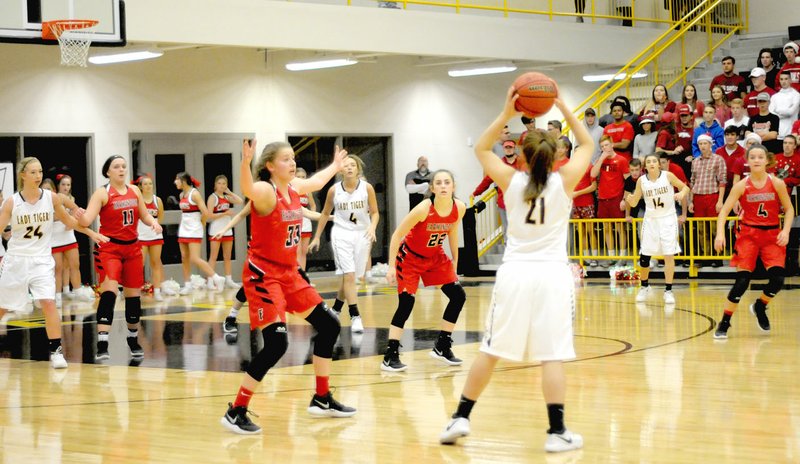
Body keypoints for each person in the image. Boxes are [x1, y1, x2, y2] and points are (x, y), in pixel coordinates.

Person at [439, 89, 594, 453]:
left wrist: (507, 111)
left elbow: (480, 148)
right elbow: (586, 144)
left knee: (491, 349)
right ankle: (557, 432)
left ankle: (460, 416)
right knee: (551, 354)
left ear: (522, 156)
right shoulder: (565, 180)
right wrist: (563, 108)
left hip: (515, 274)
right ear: (555, 155)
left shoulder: (510, 180)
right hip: (553, 275)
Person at [221, 140, 356, 435]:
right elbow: (248, 188)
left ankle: (321, 398)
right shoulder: (266, 191)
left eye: (293, 158)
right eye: (285, 159)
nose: (292, 163)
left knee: (330, 325)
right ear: (270, 165)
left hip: (289, 273)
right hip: (263, 274)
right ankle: (236, 410)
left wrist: (335, 165)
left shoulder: (293, 187)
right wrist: (245, 163)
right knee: (277, 344)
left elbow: (317, 181)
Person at [0, 157, 107, 369]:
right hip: (17, 261)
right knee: (3, 307)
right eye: (33, 172)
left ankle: (56, 351)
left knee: (48, 302)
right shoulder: (12, 202)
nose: (38, 176)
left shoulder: (51, 198)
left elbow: (69, 222)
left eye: (40, 171)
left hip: (41, 260)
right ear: (23, 175)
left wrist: (91, 233)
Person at [380, 169, 467, 372]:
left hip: (435, 256)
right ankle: (390, 354)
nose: (443, 186)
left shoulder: (459, 207)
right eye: (439, 183)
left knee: (458, 296)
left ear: (453, 186)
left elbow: (452, 230)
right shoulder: (423, 209)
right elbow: (397, 235)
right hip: (409, 257)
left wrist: (455, 259)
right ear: (432, 188)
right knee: (407, 302)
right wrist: (392, 266)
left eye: (447, 182)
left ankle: (442, 346)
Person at [79, 155, 161, 361]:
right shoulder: (102, 193)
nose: (122, 169)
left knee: (134, 297)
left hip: (133, 248)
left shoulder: (134, 190)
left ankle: (133, 339)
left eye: (124, 166)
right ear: (108, 172)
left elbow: (144, 214)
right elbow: (87, 220)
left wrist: (153, 222)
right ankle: (102, 343)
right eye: (116, 167)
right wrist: (78, 214)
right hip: (110, 249)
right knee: (109, 293)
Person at [712, 144, 794, 339]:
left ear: (767, 160)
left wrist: (786, 230)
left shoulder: (777, 183)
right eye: (753, 157)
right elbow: (723, 210)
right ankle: (725, 322)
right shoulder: (741, 185)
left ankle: (760, 305)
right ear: (747, 161)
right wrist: (720, 234)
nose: (756, 160)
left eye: (760, 157)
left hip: (772, 235)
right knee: (741, 282)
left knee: (777, 280)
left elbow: (789, 209)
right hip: (748, 234)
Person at [310, 155, 379, 333]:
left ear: (358, 169)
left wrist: (372, 227)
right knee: (348, 276)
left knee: (352, 278)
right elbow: (325, 213)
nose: (349, 168)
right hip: (341, 235)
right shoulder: (334, 190)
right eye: (346, 165)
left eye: (352, 165)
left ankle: (336, 309)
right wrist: (317, 236)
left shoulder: (367, 188)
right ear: (340, 170)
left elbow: (375, 212)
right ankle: (355, 315)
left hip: (362, 234)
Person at [625, 154, 690, 305]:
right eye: (649, 162)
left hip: (668, 219)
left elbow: (685, 186)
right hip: (651, 220)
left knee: (668, 254)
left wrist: (681, 193)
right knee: (645, 256)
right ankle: (644, 286)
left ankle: (668, 290)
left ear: (659, 165)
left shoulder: (668, 176)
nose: (652, 163)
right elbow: (634, 202)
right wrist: (629, 200)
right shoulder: (642, 181)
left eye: (654, 161)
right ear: (645, 167)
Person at [174, 172, 225, 294]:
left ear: (183, 181)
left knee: (194, 258)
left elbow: (206, 212)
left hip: (194, 228)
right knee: (184, 257)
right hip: (184, 228)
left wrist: (201, 223)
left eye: (177, 180)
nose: (175, 182)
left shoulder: (195, 194)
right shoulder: (182, 194)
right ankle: (187, 285)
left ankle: (217, 278)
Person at [473, 139, 526, 237]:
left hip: (520, 203)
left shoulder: (522, 163)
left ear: (514, 148)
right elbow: (487, 180)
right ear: (503, 149)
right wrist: (475, 193)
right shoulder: (498, 164)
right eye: (506, 147)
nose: (508, 149)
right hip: (504, 204)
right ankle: (508, 251)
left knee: (521, 228)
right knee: (507, 230)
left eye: (510, 147)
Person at [134, 174, 171, 301]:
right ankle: (136, 291)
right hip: (141, 236)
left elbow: (160, 216)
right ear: (140, 187)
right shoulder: (138, 200)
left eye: (150, 183)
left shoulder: (157, 200)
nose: (148, 186)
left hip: (155, 236)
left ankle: (157, 291)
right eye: (145, 184)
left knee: (156, 263)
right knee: (140, 265)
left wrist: (155, 227)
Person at [206, 174, 244, 289]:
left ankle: (229, 279)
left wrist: (230, 192)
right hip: (216, 230)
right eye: (219, 183)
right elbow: (209, 215)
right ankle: (210, 281)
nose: (222, 186)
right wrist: (224, 213)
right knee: (213, 256)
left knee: (227, 256)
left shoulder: (227, 197)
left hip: (227, 229)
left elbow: (240, 201)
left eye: (224, 184)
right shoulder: (212, 197)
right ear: (215, 185)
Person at [54, 174, 86, 302]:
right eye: (63, 184)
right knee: (58, 267)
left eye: (68, 185)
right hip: (55, 237)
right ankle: (58, 295)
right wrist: (65, 217)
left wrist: (72, 219)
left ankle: (73, 291)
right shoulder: (53, 199)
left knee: (73, 264)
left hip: (69, 236)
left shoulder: (71, 199)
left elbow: (76, 213)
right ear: (58, 186)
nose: (66, 187)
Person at [295, 167, 317, 271]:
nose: (301, 179)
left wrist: (311, 214)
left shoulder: (308, 191)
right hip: (295, 223)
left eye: (303, 177)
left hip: (306, 223)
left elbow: (313, 205)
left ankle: (303, 275)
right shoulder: (291, 189)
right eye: (298, 177)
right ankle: (296, 275)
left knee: (304, 252)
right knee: (297, 252)